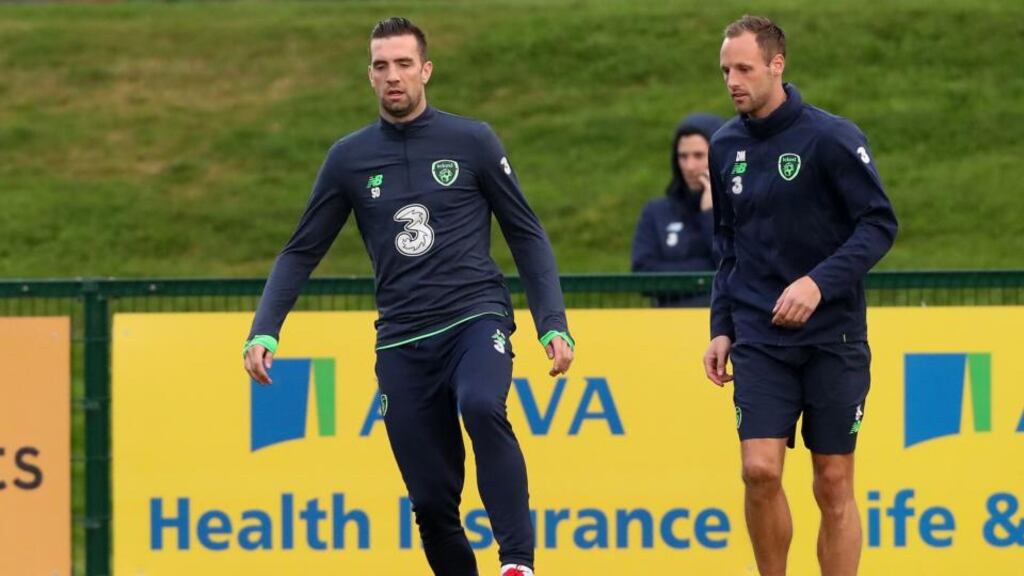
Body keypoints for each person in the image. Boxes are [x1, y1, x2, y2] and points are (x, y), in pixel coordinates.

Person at [242, 17, 574, 576]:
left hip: (474, 316)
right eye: (381, 66)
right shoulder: (348, 159)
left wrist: (552, 321)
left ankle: (517, 563)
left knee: (481, 404)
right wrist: (265, 329)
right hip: (402, 339)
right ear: (369, 77)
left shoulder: (472, 141)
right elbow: (300, 251)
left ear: (426, 70)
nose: (392, 75)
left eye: (403, 64)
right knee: (431, 504)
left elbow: (526, 233)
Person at [702, 15, 898, 576]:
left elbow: (879, 225)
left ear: (776, 65)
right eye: (725, 70)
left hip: (834, 336)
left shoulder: (831, 138)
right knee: (759, 470)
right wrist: (721, 326)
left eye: (744, 68)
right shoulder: (724, 146)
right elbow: (728, 244)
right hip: (760, 336)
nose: (732, 81)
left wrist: (818, 283)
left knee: (833, 480)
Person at [631, 113, 724, 306]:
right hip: (668, 321)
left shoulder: (739, 208)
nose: (689, 166)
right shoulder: (656, 212)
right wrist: (706, 272)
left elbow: (735, 265)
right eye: (683, 156)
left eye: (699, 156)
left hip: (723, 320)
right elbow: (643, 275)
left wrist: (710, 215)